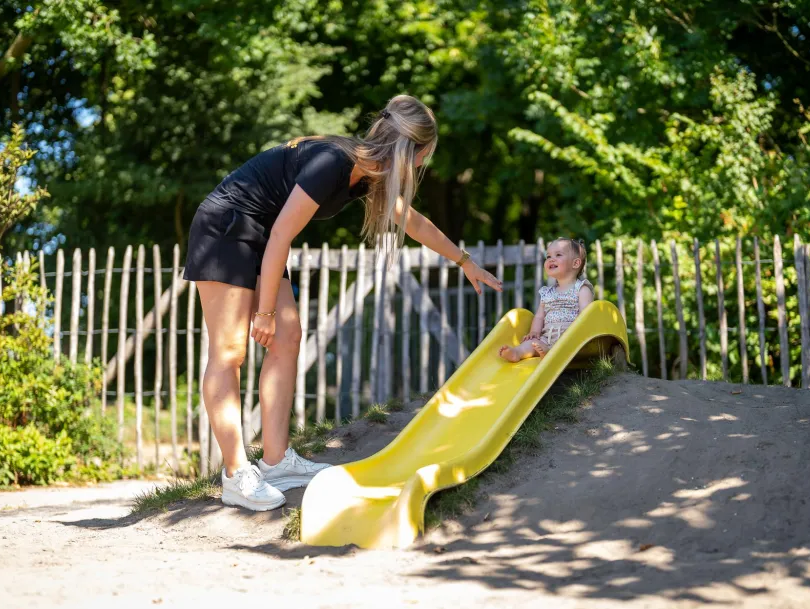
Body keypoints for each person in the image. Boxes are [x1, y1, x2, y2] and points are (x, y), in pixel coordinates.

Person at [182, 94, 503, 512]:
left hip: (260, 232)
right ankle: (235, 472)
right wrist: (263, 312)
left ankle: (277, 462)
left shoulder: (370, 174)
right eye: (424, 157)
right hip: (226, 226)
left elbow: (412, 220)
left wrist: (464, 261)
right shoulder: (333, 161)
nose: (423, 167)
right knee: (229, 351)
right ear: (411, 151)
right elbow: (281, 234)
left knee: (288, 336)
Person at [498, 238, 593, 362]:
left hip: (569, 337)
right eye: (548, 256)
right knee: (531, 343)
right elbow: (539, 316)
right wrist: (534, 332)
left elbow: (585, 317)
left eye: (558, 255)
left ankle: (549, 352)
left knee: (561, 343)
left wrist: (574, 334)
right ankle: (517, 353)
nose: (551, 259)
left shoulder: (581, 289)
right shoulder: (547, 292)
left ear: (575, 263)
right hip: (546, 337)